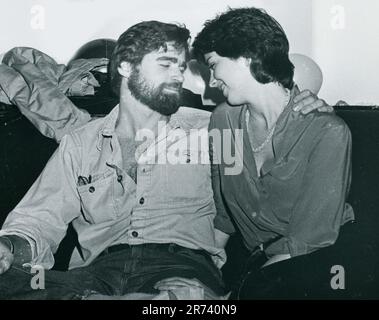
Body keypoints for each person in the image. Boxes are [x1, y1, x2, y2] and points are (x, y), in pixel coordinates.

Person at [0, 20, 329, 300]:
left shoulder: (214, 129)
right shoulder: (80, 143)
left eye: (182, 67)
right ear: (125, 67)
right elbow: (37, 221)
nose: (178, 75)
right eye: (166, 64)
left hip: (178, 274)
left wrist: (300, 109)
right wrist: (10, 247)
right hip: (94, 277)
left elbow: (272, 158)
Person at [192, 7, 354, 298]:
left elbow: (308, 239)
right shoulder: (223, 121)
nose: (212, 81)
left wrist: (240, 293)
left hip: (321, 262)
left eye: (213, 65)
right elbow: (225, 215)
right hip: (261, 261)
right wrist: (201, 272)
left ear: (246, 57)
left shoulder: (326, 132)